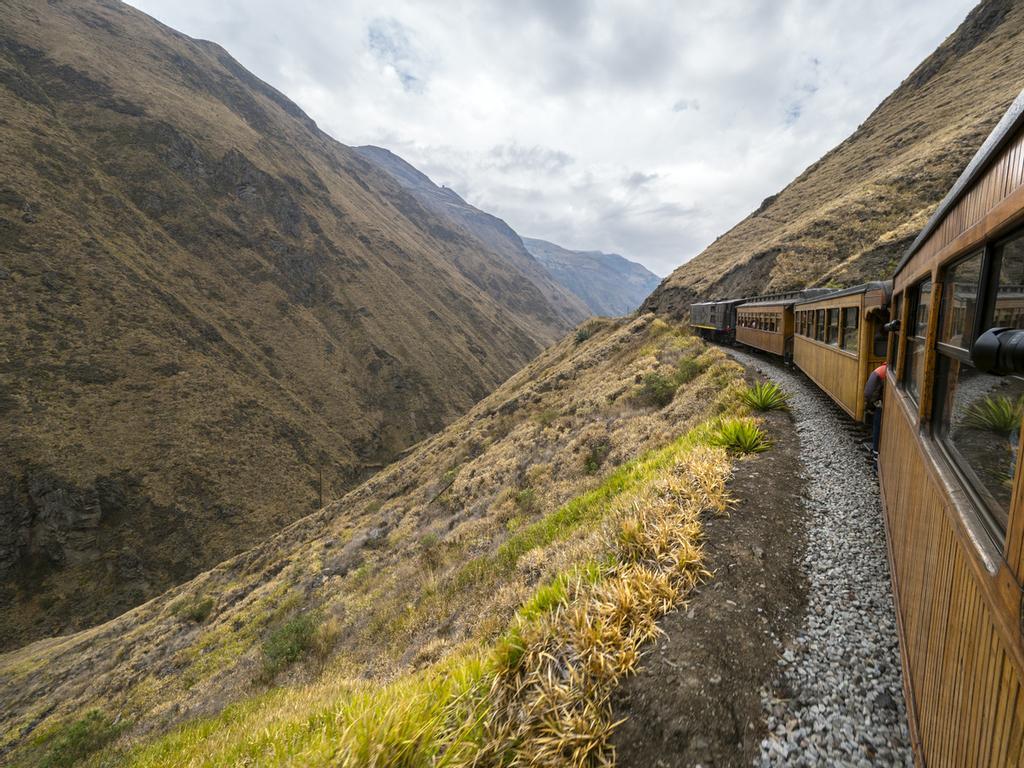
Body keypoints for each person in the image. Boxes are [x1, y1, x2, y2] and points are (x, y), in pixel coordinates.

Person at [864, 362, 888, 458]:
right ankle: (876, 458)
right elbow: (870, 392)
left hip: (877, 403)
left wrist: (871, 405)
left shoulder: (880, 369)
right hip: (880, 406)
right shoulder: (885, 372)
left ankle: (875, 456)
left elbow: (869, 392)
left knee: (877, 430)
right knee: (878, 430)